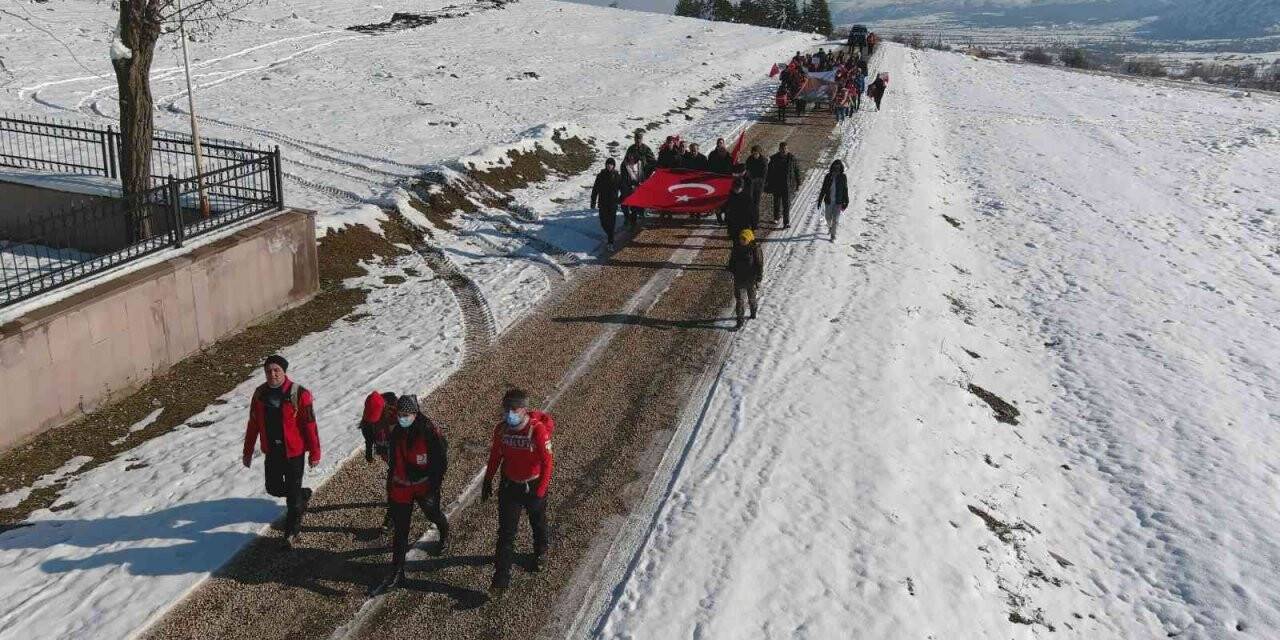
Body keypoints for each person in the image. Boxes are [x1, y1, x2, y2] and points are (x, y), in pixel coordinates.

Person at [482, 389, 555, 595]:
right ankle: (500, 580)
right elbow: (496, 456)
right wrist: (488, 480)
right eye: (506, 409)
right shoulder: (501, 430)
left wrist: (540, 493)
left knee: (538, 522)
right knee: (506, 534)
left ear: (524, 409)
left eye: (513, 409)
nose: (509, 413)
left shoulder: (537, 431)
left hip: (533, 485)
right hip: (510, 486)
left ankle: (540, 550)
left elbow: (548, 463)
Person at [243, 354, 320, 546]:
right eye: (268, 371)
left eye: (276, 370)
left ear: (284, 371)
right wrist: (248, 451)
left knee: (292, 501)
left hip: (294, 453)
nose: (272, 374)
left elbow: (310, 425)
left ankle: (290, 534)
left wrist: (315, 452)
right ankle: (301, 494)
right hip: (272, 451)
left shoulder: (300, 394)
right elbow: (253, 424)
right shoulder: (260, 394)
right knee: (273, 488)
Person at [375, 394, 450, 592]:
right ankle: (397, 571)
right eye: (400, 414)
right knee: (401, 531)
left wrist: (433, 487)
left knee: (433, 514)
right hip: (402, 487)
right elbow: (393, 463)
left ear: (416, 414)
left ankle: (444, 532)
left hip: (424, 486)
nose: (402, 417)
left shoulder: (428, 432)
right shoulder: (397, 432)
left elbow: (440, 463)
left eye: (406, 414)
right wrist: (391, 487)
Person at [359, 390, 398, 533]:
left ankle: (392, 516)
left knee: (394, 487)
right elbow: (368, 434)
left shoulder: (397, 417)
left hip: (400, 458)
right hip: (388, 456)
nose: (373, 423)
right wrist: (369, 450)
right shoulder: (368, 421)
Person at [727, 229, 763, 330]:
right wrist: (731, 271)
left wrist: (759, 278)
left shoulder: (755, 249)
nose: (742, 241)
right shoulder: (736, 248)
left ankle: (753, 311)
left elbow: (759, 265)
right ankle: (740, 321)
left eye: (744, 239)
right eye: (741, 239)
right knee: (739, 301)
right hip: (739, 279)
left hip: (751, 279)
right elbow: (731, 262)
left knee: (752, 298)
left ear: (750, 239)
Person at [766, 142, 801, 228]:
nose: (784, 150)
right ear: (779, 149)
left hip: (788, 185)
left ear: (787, 149)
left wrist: (798, 182)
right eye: (782, 149)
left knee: (786, 205)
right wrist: (767, 183)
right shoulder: (774, 158)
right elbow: (768, 172)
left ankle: (786, 222)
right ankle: (776, 217)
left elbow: (797, 171)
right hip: (777, 184)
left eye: (785, 149)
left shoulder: (792, 159)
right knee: (776, 203)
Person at [591, 158, 623, 249]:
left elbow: (622, 188)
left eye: (611, 164)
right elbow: (595, 189)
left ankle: (610, 242)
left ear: (613, 166)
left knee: (612, 223)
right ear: (606, 165)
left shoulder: (617, 176)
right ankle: (610, 235)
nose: (609, 166)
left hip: (613, 203)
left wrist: (620, 199)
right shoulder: (601, 175)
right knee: (603, 222)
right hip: (603, 202)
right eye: (608, 164)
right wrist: (593, 202)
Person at [817, 159, 849, 242]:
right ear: (833, 167)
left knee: (835, 219)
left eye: (838, 168)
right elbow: (823, 188)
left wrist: (846, 201)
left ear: (841, 168)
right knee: (828, 217)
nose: (837, 169)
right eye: (835, 167)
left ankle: (833, 235)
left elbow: (845, 189)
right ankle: (830, 227)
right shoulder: (828, 176)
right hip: (828, 201)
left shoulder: (843, 177)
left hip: (838, 202)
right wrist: (820, 200)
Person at [723, 177, 754, 243]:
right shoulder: (731, 195)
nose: (736, 190)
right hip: (733, 222)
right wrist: (722, 210)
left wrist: (753, 224)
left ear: (742, 188)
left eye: (737, 188)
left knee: (744, 241)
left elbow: (752, 212)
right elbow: (727, 205)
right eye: (734, 188)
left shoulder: (747, 197)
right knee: (735, 240)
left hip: (744, 223)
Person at [620, 151, 646, 229]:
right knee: (624, 203)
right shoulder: (624, 165)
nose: (631, 158)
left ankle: (634, 221)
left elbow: (642, 175)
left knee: (635, 206)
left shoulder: (639, 164)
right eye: (629, 156)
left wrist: (642, 183)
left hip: (638, 187)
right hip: (627, 187)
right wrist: (634, 183)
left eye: (632, 156)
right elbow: (624, 178)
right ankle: (627, 218)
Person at [744, 145, 767, 230]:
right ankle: (749, 221)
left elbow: (763, 176)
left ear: (759, 153)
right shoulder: (749, 159)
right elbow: (746, 170)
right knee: (749, 204)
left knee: (756, 205)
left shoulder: (763, 161)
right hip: (750, 186)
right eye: (753, 153)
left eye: (756, 153)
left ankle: (755, 223)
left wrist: (753, 180)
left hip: (758, 186)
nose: (754, 155)